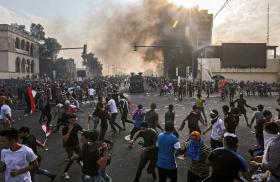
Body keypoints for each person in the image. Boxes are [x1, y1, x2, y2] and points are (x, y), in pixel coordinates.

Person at [62, 114, 85, 179]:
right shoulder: (65, 128)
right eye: (73, 120)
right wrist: (70, 129)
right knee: (71, 159)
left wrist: (89, 132)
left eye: (75, 119)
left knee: (81, 156)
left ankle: (79, 161)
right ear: (69, 120)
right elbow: (65, 139)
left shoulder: (76, 125)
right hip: (68, 146)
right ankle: (65, 172)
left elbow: (83, 130)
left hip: (76, 144)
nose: (75, 121)